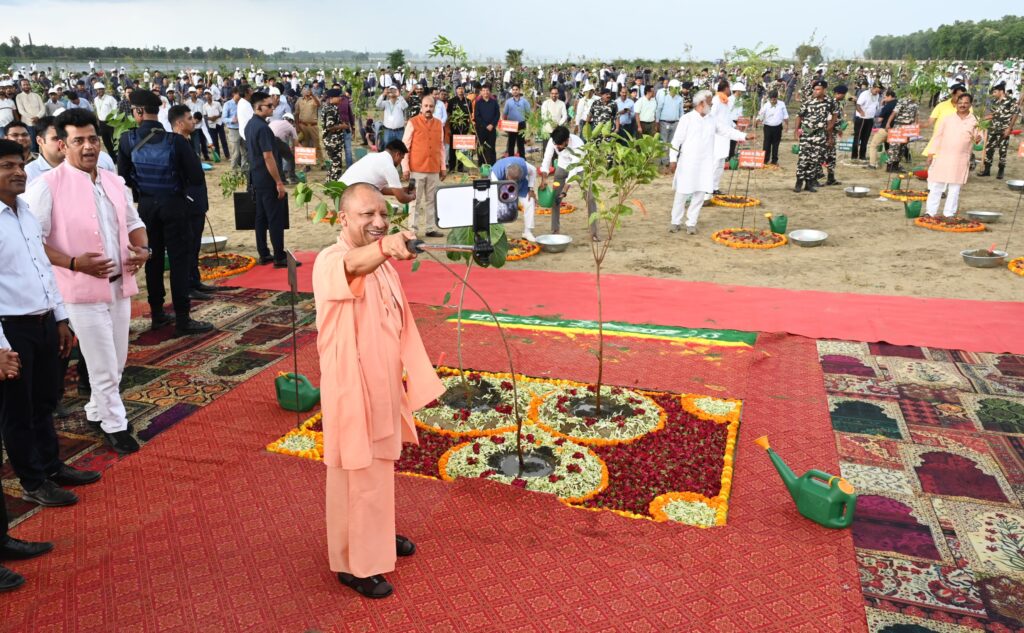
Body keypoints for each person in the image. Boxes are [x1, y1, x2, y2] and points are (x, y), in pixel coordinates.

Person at [312, 183, 443, 600]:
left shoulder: (381, 263)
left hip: (383, 380)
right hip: (352, 385)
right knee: (357, 471)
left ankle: (377, 536)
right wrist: (386, 247)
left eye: (383, 214)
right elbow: (353, 265)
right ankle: (354, 564)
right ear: (343, 218)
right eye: (367, 214)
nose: (379, 222)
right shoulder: (330, 260)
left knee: (380, 465)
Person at [23, 109, 150, 454]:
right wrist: (75, 263)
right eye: (78, 140)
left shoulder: (113, 180)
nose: (88, 146)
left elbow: (134, 221)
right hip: (78, 290)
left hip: (119, 283)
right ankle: (114, 423)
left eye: (92, 138)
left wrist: (143, 249)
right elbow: (31, 239)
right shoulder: (46, 186)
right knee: (103, 361)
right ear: (62, 145)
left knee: (119, 359)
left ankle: (96, 409)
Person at [0, 138, 101, 509]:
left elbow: (43, 270)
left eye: (19, 164)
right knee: (17, 409)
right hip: (9, 329)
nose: (17, 172)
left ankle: (51, 465)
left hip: (43, 320)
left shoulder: (25, 212)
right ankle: (32, 480)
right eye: (6, 166)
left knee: (45, 400)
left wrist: (60, 318)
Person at [118, 89, 213, 335]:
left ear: (138, 112)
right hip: (175, 205)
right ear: (156, 110)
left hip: (147, 207)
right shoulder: (176, 141)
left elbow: (122, 177)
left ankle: (158, 313)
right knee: (179, 261)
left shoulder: (127, 140)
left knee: (153, 259)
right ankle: (183, 317)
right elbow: (196, 176)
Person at [669, 90, 752, 234]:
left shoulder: (711, 119)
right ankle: (675, 221)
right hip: (688, 162)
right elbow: (676, 141)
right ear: (701, 103)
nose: (712, 104)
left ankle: (691, 223)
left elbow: (727, 131)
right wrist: (672, 159)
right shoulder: (687, 119)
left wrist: (744, 136)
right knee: (682, 193)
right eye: (710, 102)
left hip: (705, 162)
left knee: (699, 194)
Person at [167, 105, 219, 300]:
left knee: (195, 243)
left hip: (196, 200)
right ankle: (189, 285)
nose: (193, 121)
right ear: (179, 123)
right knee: (188, 244)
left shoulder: (186, 141)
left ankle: (195, 280)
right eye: (189, 118)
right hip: (187, 201)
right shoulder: (176, 143)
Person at [246, 91, 293, 268]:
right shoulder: (263, 128)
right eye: (269, 105)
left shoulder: (251, 125)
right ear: (259, 107)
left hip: (256, 176)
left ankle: (264, 253)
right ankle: (279, 257)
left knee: (261, 217)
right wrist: (278, 182)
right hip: (267, 178)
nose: (273, 108)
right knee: (274, 217)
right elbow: (268, 157)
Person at [924, 94, 980, 219]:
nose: (962, 105)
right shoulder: (947, 118)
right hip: (943, 156)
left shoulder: (975, 120)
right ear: (956, 103)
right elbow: (937, 137)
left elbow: (978, 140)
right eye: (960, 102)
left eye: (966, 102)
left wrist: (978, 138)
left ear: (970, 105)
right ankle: (930, 212)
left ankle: (949, 213)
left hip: (960, 158)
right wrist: (931, 153)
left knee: (954, 187)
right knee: (936, 185)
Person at [539, 125, 598, 241]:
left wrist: (565, 191)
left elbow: (573, 171)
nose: (558, 147)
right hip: (562, 166)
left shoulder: (578, 144)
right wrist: (544, 179)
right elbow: (547, 158)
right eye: (556, 145)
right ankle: (555, 229)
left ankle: (594, 232)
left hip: (580, 168)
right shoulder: (554, 140)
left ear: (567, 140)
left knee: (590, 198)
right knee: (555, 198)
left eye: (560, 145)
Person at [401, 95, 446, 238]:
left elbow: (441, 147)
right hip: (416, 168)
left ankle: (430, 228)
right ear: (421, 107)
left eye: (431, 106)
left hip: (433, 168)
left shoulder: (439, 124)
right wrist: (405, 168)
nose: (428, 109)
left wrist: (443, 167)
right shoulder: (413, 122)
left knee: (431, 199)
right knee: (415, 200)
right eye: (425, 106)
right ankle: (412, 230)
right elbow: (405, 146)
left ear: (434, 107)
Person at [341, 139, 416, 205]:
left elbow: (379, 189)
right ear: (397, 154)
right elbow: (401, 198)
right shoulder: (389, 167)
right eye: (401, 158)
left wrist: (401, 190)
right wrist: (412, 196)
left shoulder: (372, 156)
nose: (400, 162)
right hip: (351, 195)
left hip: (339, 190)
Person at [794, 80, 835, 192]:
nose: (816, 91)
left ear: (824, 90)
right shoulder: (808, 101)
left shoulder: (830, 102)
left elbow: (835, 114)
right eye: (815, 89)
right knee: (803, 159)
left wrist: (830, 127)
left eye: (818, 89)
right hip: (807, 135)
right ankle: (799, 182)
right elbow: (799, 115)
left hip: (820, 135)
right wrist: (796, 130)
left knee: (814, 160)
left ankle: (809, 183)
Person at [978, 82, 1021, 179]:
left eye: (995, 92)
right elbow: (992, 114)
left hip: (1003, 129)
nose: (993, 94)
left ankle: (1001, 170)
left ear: (1001, 91)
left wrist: (1009, 128)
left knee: (1003, 150)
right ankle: (987, 170)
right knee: (989, 149)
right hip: (993, 128)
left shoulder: (1010, 101)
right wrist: (982, 119)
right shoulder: (995, 102)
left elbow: (1015, 113)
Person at [490, 155, 538, 242]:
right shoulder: (496, 172)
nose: (514, 182)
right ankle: (499, 233)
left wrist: (531, 189)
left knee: (530, 201)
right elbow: (494, 190)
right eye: (512, 180)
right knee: (498, 207)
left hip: (521, 186)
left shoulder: (525, 166)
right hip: (502, 187)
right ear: (507, 174)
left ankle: (528, 232)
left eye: (516, 180)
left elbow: (533, 171)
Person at [320, 89, 348, 182]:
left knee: (334, 163)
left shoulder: (328, 107)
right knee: (336, 164)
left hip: (332, 140)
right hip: (332, 141)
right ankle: (334, 185)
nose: (340, 98)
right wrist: (343, 126)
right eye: (339, 96)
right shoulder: (331, 109)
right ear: (332, 98)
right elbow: (330, 126)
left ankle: (328, 183)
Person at [822, 85, 848, 186]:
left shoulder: (836, 103)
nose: (844, 96)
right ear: (839, 93)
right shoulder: (831, 104)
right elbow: (829, 122)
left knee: (831, 157)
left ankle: (831, 178)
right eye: (843, 94)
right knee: (826, 156)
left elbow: (836, 120)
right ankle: (817, 178)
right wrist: (830, 137)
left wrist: (839, 129)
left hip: (833, 133)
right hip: (829, 134)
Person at [867, 89, 898, 169]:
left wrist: (875, 117)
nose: (884, 98)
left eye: (885, 97)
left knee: (873, 145)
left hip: (885, 129)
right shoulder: (898, 104)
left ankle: (872, 164)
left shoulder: (887, 106)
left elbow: (880, 119)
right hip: (895, 130)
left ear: (890, 96)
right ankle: (891, 164)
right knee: (890, 148)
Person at [756, 90, 788, 165]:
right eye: (771, 99)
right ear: (769, 98)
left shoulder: (782, 104)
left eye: (774, 99)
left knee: (776, 144)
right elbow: (760, 115)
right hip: (768, 127)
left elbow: (785, 115)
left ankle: (774, 160)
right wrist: (757, 121)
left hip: (778, 127)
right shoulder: (766, 105)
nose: (773, 101)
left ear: (777, 98)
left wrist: (787, 125)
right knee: (766, 144)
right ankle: (765, 159)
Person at [656, 80, 684, 166]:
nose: (676, 90)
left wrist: (681, 123)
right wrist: (657, 121)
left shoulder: (679, 98)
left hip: (675, 123)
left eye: (677, 88)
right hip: (664, 122)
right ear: (670, 88)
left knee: (672, 142)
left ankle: (671, 160)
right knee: (664, 142)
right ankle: (665, 161)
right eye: (675, 88)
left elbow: (681, 112)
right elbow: (659, 109)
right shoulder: (663, 96)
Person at [852, 83, 881, 161]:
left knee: (866, 138)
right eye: (876, 91)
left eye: (878, 91)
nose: (877, 93)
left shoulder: (877, 95)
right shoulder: (864, 94)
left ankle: (862, 156)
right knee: (858, 138)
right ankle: (854, 156)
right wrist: (861, 112)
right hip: (862, 119)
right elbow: (858, 105)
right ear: (873, 88)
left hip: (870, 119)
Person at [15, 80, 45, 154]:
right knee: (32, 143)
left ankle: (43, 157)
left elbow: (43, 108)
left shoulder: (36, 95)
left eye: (27, 84)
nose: (26, 86)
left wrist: (37, 117)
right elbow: (21, 111)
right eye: (24, 85)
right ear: (21, 86)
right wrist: (32, 118)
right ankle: (34, 158)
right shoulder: (19, 97)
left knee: (42, 141)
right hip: (28, 124)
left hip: (39, 122)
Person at [294, 88, 322, 168]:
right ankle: (307, 165)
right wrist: (297, 125)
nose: (305, 92)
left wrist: (312, 95)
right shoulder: (299, 100)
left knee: (317, 144)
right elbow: (296, 113)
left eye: (307, 90)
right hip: (302, 125)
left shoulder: (313, 98)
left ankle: (321, 162)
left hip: (313, 125)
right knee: (305, 145)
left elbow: (319, 105)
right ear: (301, 92)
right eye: (304, 90)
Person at [501, 84, 530, 158]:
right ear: (512, 91)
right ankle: (511, 159)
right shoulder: (508, 102)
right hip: (511, 125)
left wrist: (527, 123)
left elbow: (528, 113)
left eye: (516, 89)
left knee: (521, 144)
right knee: (511, 143)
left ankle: (522, 159)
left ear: (519, 90)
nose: (515, 91)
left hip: (521, 124)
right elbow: (504, 114)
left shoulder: (524, 101)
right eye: (513, 90)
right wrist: (504, 124)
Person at [474, 84, 500, 166]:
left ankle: (492, 164)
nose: (485, 92)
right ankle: (481, 164)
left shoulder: (494, 102)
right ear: (481, 92)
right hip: (481, 129)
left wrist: (492, 124)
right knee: (480, 147)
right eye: (484, 90)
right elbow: (477, 116)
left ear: (490, 92)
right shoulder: (478, 103)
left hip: (492, 129)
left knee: (491, 147)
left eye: (487, 90)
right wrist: (485, 125)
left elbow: (497, 114)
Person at [202, 89, 228, 161]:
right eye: (206, 94)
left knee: (223, 140)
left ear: (211, 95)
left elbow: (221, 113)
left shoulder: (217, 103)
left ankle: (227, 155)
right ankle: (218, 156)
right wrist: (210, 118)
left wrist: (215, 117)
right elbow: (204, 116)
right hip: (211, 125)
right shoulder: (204, 106)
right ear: (205, 96)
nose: (207, 96)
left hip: (219, 123)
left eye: (208, 94)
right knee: (215, 141)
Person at [222, 87, 243, 169]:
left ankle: (244, 169)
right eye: (239, 93)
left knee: (245, 152)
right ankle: (234, 171)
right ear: (234, 94)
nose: (240, 95)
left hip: (243, 129)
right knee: (236, 153)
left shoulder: (243, 103)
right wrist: (231, 120)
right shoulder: (227, 104)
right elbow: (223, 118)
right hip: (233, 130)